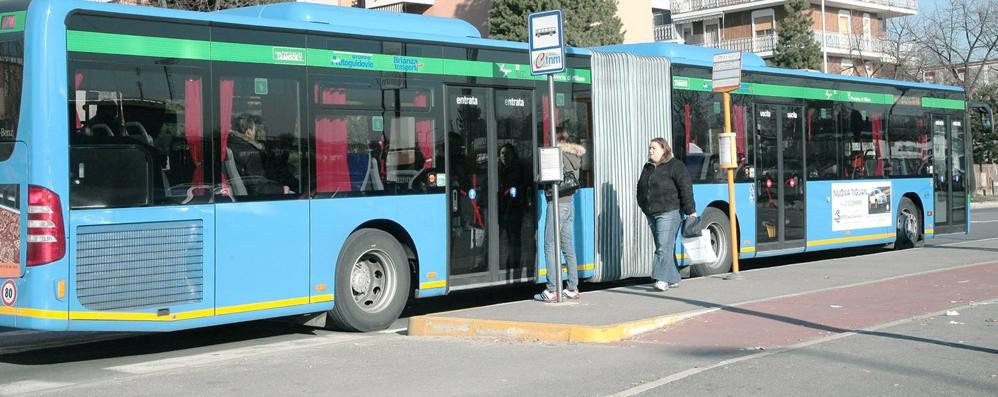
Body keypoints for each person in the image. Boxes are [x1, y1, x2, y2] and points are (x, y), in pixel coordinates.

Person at [637, 137, 696, 291]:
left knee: (663, 247)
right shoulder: (648, 167)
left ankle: (661, 279)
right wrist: (643, 205)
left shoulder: (676, 166)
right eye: (649, 148)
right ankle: (674, 278)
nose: (650, 151)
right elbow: (641, 187)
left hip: (669, 211)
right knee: (665, 246)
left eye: (653, 148)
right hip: (651, 213)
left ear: (664, 150)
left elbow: (685, 188)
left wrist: (690, 211)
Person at [535, 129, 586, 302]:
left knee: (550, 245)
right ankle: (572, 287)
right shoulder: (575, 156)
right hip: (569, 203)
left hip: (556, 204)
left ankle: (552, 289)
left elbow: (544, 177)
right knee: (568, 247)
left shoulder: (556, 155)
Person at [228, 113, 298, 196]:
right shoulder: (250, 153)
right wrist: (282, 190)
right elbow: (258, 188)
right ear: (248, 132)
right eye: (255, 129)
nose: (257, 133)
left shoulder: (233, 146)